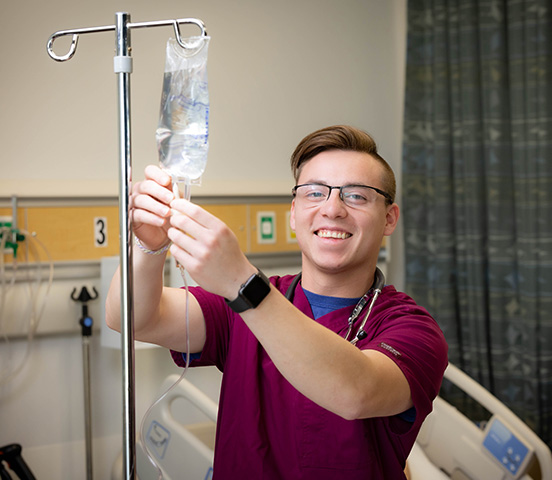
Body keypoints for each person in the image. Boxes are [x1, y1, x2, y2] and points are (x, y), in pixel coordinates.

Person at [106, 125, 448, 479]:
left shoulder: (413, 330)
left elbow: (354, 393)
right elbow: (131, 318)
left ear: (389, 218)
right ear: (293, 212)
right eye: (314, 193)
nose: (332, 209)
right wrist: (147, 247)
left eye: (356, 196)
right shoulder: (237, 311)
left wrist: (242, 283)